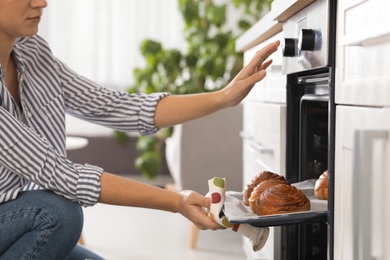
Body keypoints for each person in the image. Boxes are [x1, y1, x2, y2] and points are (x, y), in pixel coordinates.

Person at [0, 0, 280, 259]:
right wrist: (176, 201)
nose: (41, 2)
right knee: (58, 213)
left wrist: (225, 96)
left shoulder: (33, 52)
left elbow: (117, 107)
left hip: (17, 221)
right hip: (20, 216)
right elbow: (60, 174)